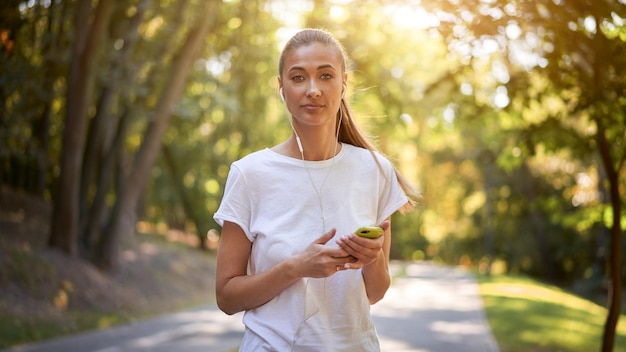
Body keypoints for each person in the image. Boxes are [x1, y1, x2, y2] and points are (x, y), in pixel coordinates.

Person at [213, 28, 416, 351]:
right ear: (282, 88)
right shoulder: (250, 174)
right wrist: (296, 267)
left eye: (325, 76)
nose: (313, 90)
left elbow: (375, 292)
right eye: (297, 78)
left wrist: (371, 259)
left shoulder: (375, 170)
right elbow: (226, 297)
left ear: (344, 83)